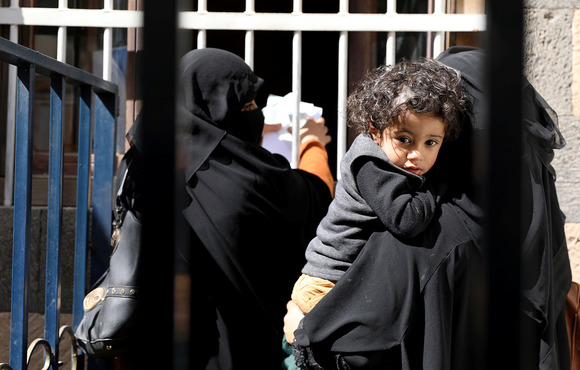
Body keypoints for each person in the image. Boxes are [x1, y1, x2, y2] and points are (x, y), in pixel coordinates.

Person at [165, 47, 335, 370]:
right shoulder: (250, 180)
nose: (257, 112)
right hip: (245, 351)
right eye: (248, 104)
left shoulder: (145, 164)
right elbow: (316, 195)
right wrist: (312, 142)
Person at [289, 58, 469, 318]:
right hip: (326, 284)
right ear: (375, 130)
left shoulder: (392, 162)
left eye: (431, 142)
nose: (417, 153)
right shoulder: (370, 165)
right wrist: (438, 184)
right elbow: (406, 220)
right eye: (404, 139)